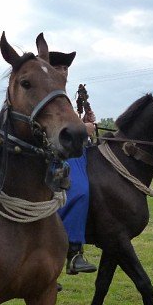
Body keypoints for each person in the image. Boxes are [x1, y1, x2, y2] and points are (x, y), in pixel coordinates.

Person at [47, 50, 98, 276]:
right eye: (57, 67)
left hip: (73, 152)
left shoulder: (65, 97)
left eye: (65, 68)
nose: (63, 71)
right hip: (54, 154)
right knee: (79, 190)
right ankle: (74, 251)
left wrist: (83, 123)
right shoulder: (48, 95)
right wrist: (83, 129)